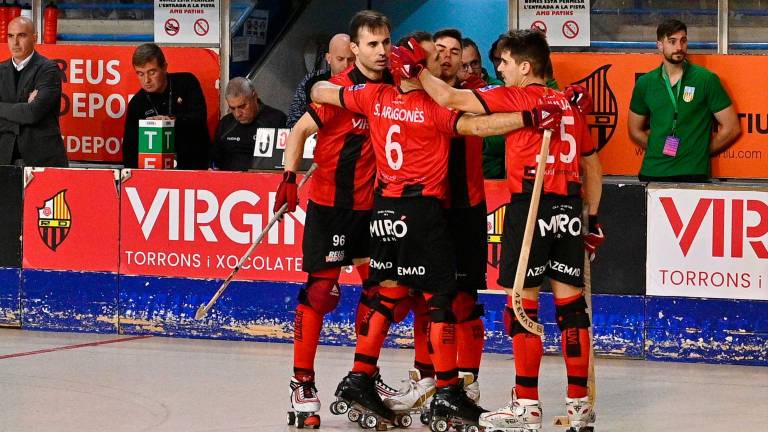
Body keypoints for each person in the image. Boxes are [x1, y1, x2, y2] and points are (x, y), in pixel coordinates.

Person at [310, 33, 562, 428]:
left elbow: (324, 91)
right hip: (423, 211)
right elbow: (478, 127)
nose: (439, 62)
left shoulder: (374, 97)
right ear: (416, 66)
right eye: (431, 57)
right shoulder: (430, 106)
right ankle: (447, 391)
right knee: (442, 299)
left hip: (385, 209)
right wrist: (529, 118)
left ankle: (359, 377)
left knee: (388, 294)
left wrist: (326, 84)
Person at [415, 29, 604, 431]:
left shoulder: (521, 95)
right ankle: (578, 406)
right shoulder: (568, 105)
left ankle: (527, 405)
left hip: (530, 206)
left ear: (525, 66)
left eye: (503, 62)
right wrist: (595, 218)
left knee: (522, 308)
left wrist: (416, 70)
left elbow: (451, 99)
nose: (498, 69)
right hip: (568, 208)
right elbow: (592, 164)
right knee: (572, 311)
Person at [276, 11, 397, 428]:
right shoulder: (338, 91)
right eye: (373, 44)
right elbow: (298, 132)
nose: (381, 51)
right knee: (320, 293)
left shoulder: (396, 86)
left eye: (386, 42)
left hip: (375, 209)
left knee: (380, 294)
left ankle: (365, 375)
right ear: (356, 49)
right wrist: (289, 178)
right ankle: (303, 384)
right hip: (331, 207)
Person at [383, 28, 487, 415]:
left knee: (464, 302)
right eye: (438, 51)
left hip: (467, 210)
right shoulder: (416, 93)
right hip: (427, 210)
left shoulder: (471, 92)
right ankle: (426, 380)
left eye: (454, 52)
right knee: (424, 300)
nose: (445, 57)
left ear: (464, 60)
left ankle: (467, 384)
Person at [628, 18, 740, 182]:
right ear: (660, 45)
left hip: (692, 173)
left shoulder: (706, 79)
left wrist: (698, 151)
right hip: (653, 172)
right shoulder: (645, 83)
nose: (679, 47)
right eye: (672, 42)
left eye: (683, 41)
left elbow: (732, 128)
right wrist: (657, 147)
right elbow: (634, 130)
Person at [122, 43, 210, 170]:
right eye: (140, 74)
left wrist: (171, 121)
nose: (146, 80)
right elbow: (130, 151)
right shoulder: (137, 103)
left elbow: (199, 120)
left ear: (164, 67)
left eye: (152, 72)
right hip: (156, 174)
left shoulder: (187, 83)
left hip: (193, 168)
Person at [0, 16, 68, 167]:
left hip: (43, 160)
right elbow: (28, 113)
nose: (15, 42)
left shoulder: (48, 69)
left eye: (21, 35)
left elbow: (32, 113)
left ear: (34, 38)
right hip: (5, 161)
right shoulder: (0, 70)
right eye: (11, 36)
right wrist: (23, 110)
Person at [211, 77, 286, 171]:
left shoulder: (277, 120)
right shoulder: (225, 124)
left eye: (242, 106)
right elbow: (215, 163)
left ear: (254, 96)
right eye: (232, 108)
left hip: (264, 181)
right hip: (229, 181)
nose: (238, 114)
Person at [286, 33, 355, 127]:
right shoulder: (310, 81)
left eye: (351, 59)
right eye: (340, 59)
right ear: (329, 58)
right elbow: (293, 120)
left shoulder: (363, 82)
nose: (345, 65)